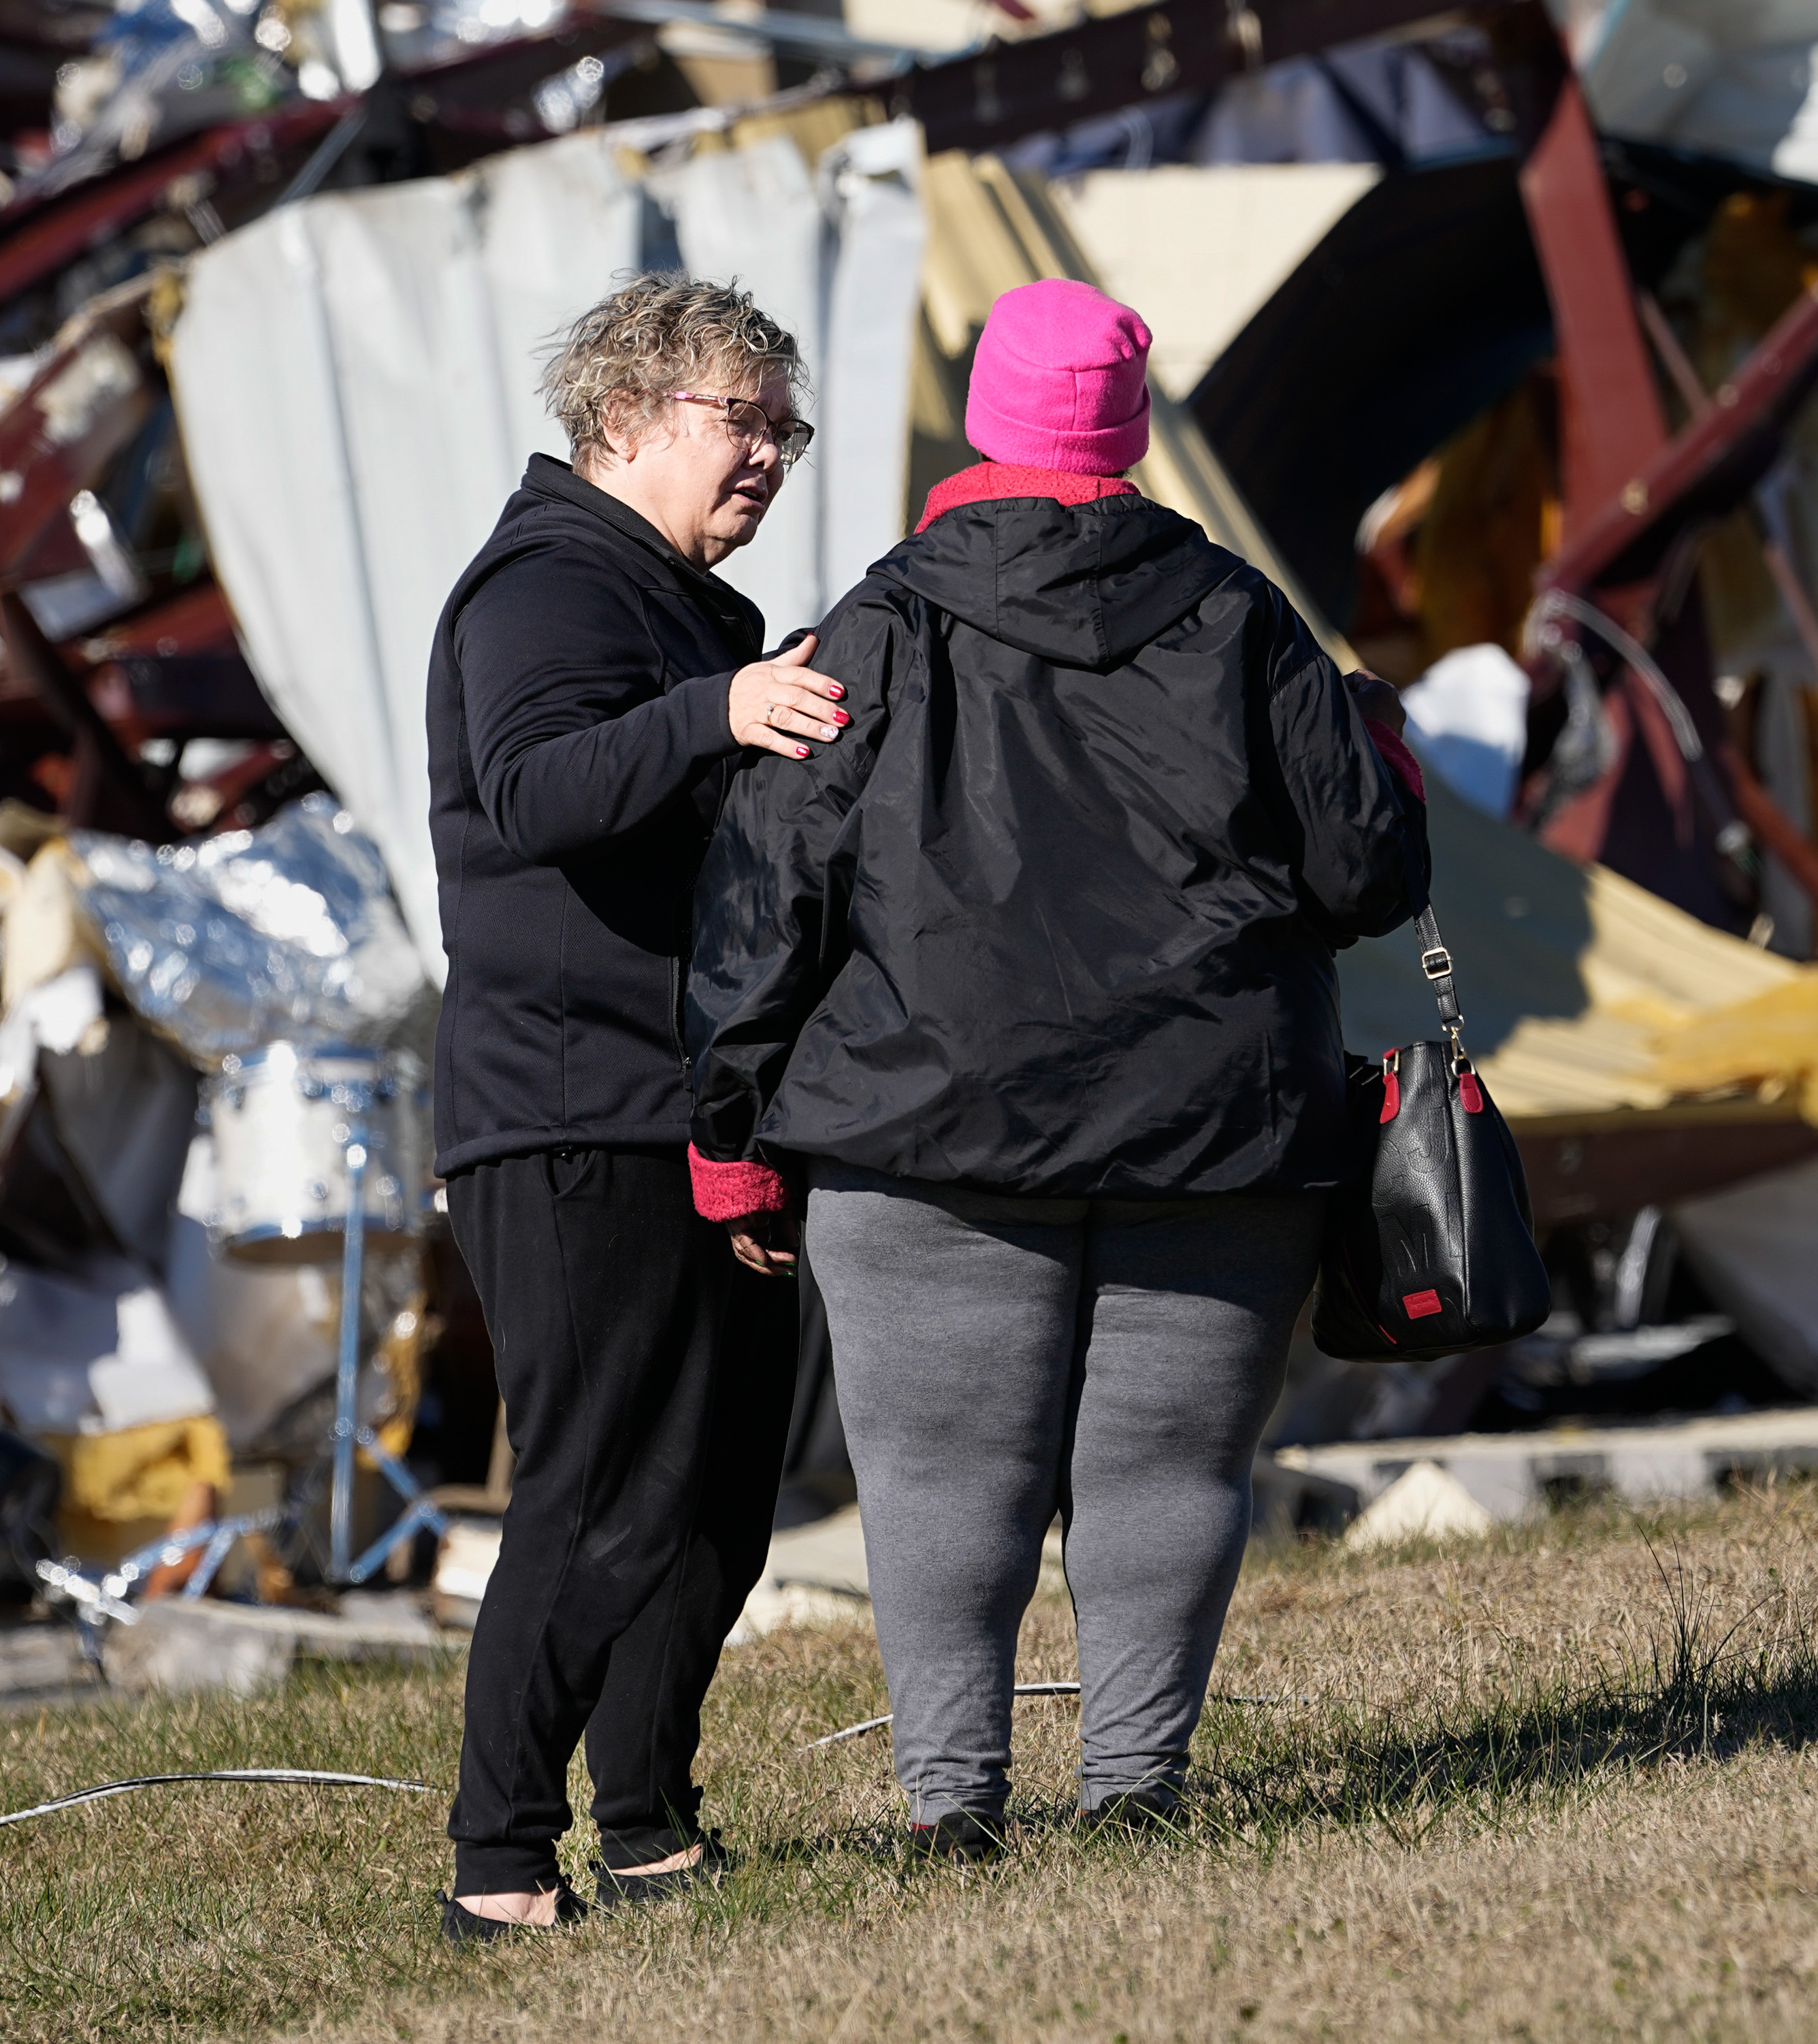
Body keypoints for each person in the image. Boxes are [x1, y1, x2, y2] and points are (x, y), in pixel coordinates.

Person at [682, 279, 1429, 1853]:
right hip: (1217, 1130)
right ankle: (1136, 1791)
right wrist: (1385, 750)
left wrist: (730, 1129)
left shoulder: (874, 629)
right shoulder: (1243, 616)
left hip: (918, 1130)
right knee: (1168, 1475)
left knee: (941, 1485)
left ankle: (954, 1810)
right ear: (1130, 432)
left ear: (984, 424)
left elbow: (770, 884)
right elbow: (1369, 875)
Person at [423, 275, 850, 1941]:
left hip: (698, 1110)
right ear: (621, 416)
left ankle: (652, 1824)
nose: (766, 456)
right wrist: (720, 717)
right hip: (564, 1112)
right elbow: (532, 787)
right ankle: (497, 1863)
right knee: (598, 1489)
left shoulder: (692, 609)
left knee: (719, 1492)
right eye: (735, 420)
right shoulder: (548, 579)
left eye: (782, 428)